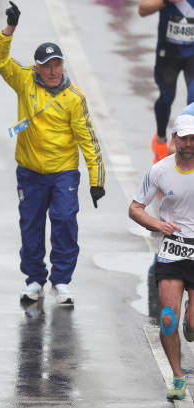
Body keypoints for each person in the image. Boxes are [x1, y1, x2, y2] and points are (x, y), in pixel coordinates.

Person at [0, 2, 106, 305]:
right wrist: (9, 29)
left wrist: (97, 180)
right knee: (30, 226)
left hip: (63, 172)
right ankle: (34, 280)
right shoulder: (24, 79)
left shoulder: (74, 98)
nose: (53, 71)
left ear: (62, 65)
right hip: (29, 172)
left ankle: (62, 281)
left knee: (65, 221)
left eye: (57, 64)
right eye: (47, 65)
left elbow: (89, 141)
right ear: (37, 67)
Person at [129, 107, 194, 401]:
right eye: (184, 138)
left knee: (192, 325)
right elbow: (135, 208)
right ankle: (178, 377)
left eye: (193, 139)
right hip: (171, 251)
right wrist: (157, 224)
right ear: (174, 139)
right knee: (167, 318)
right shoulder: (159, 171)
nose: (188, 144)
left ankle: (190, 325)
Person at [139, 0, 194, 163]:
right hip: (168, 52)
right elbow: (142, 9)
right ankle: (160, 142)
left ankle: (188, 150)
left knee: (193, 100)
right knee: (167, 97)